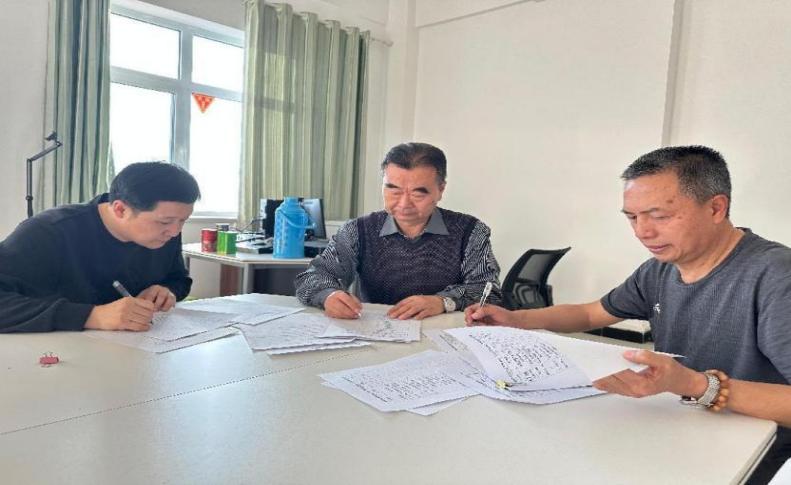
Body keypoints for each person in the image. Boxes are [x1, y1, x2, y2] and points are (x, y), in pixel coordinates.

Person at [464, 145, 791, 484]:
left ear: (715, 208)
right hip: (678, 428)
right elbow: (590, 314)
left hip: (754, 453)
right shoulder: (659, 270)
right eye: (632, 217)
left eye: (660, 216)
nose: (642, 232)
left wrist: (694, 384)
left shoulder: (776, 277)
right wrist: (517, 319)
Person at [295, 142, 502, 320]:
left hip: (445, 335)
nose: (403, 204)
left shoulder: (470, 231)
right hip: (374, 332)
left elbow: (488, 291)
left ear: (440, 190)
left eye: (418, 194)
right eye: (393, 189)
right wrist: (328, 295)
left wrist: (443, 302)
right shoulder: (357, 230)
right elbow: (313, 276)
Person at [0, 161, 200, 333]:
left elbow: (178, 279)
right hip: (55, 353)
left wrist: (166, 291)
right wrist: (92, 316)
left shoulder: (165, 232)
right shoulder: (49, 231)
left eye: (183, 220)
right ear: (120, 209)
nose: (175, 231)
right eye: (165, 222)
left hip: (135, 349)